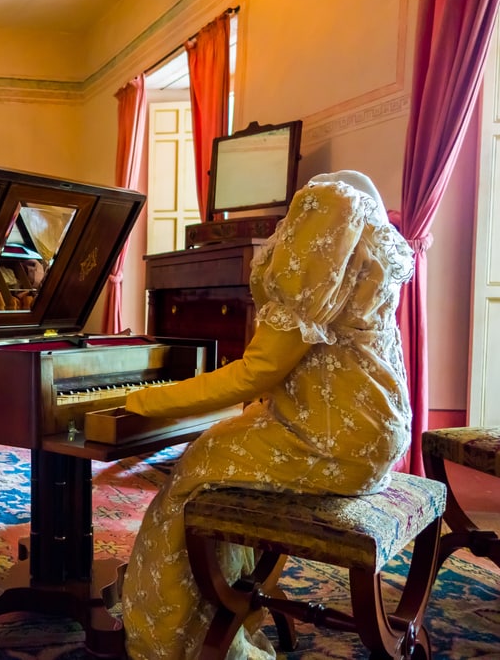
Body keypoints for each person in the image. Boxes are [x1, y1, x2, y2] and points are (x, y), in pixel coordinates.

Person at [120, 170, 415, 660]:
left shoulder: (328, 206)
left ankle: (178, 638)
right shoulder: (369, 213)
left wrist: (142, 401)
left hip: (327, 437)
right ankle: (236, 605)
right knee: (224, 446)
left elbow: (256, 372)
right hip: (380, 429)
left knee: (193, 472)